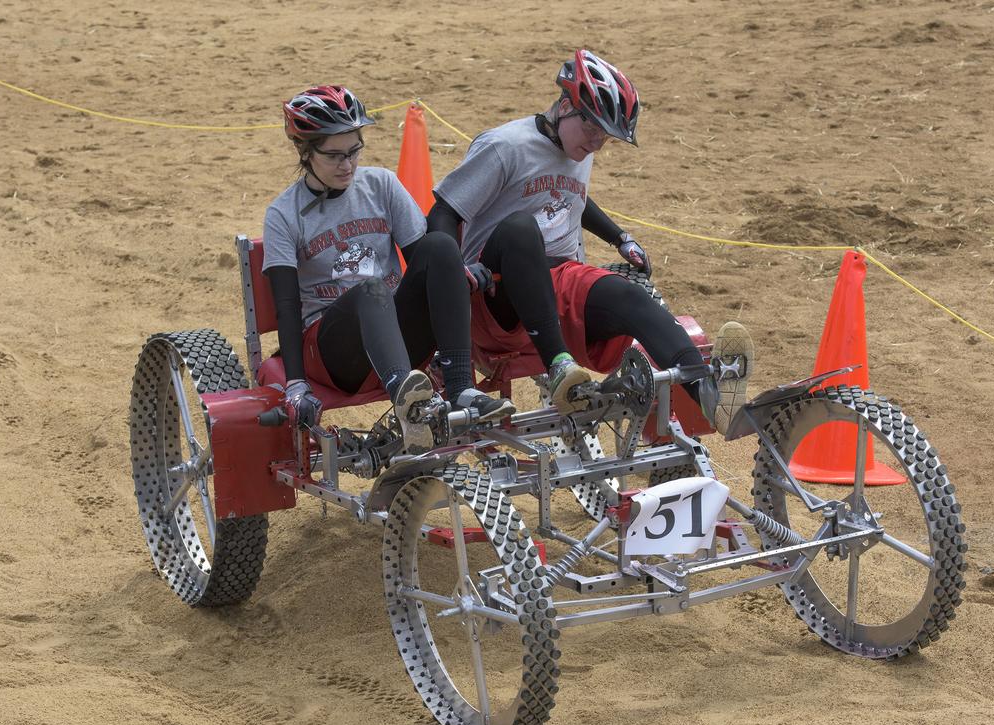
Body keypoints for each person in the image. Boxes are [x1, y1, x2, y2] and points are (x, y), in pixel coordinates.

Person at [428, 50, 753, 432]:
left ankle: (708, 393)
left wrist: (619, 237)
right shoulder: (504, 146)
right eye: (593, 130)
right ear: (566, 106)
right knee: (521, 229)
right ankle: (559, 367)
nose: (598, 143)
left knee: (630, 296)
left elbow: (569, 195)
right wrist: (455, 271)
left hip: (558, 279)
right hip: (495, 292)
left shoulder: (577, 147)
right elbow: (443, 212)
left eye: (606, 136)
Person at [262, 85, 514, 453]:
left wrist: (457, 274)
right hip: (335, 353)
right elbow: (287, 307)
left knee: (441, 245)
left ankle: (461, 388)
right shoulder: (283, 214)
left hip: (394, 336)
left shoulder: (381, 184)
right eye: (334, 155)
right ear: (305, 151)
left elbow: (426, 262)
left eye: (354, 150)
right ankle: (409, 405)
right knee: (372, 288)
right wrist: (295, 384)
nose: (347, 165)